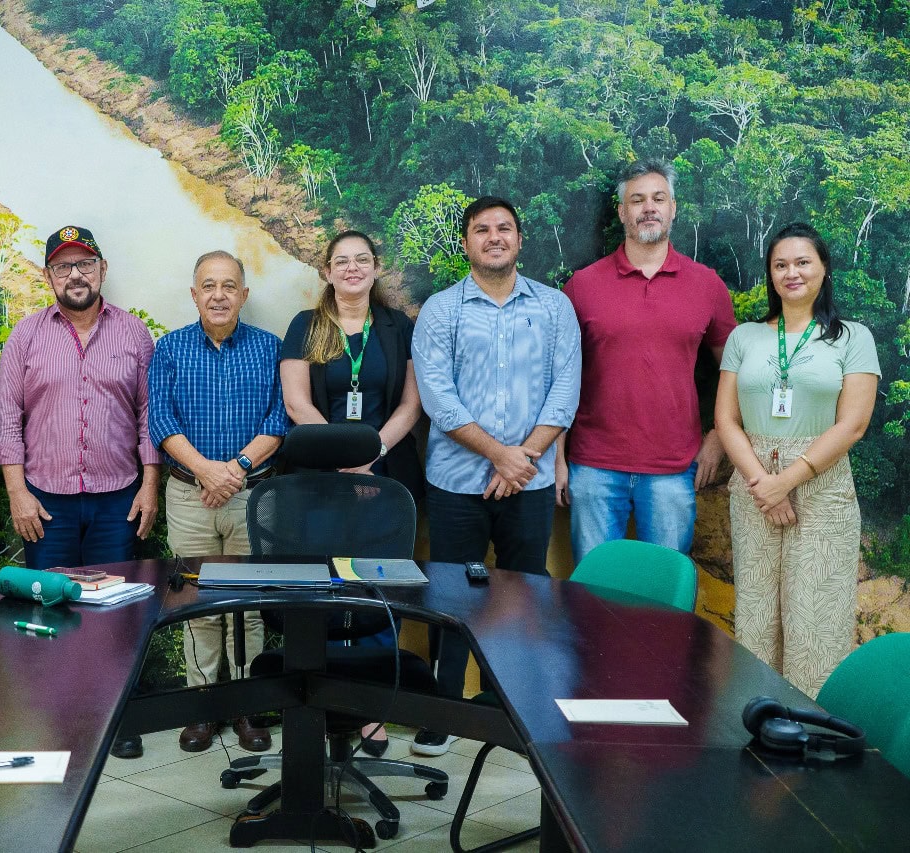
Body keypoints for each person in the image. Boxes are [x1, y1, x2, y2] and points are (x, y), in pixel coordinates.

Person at [411, 195, 581, 755]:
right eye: (481, 230)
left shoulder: (555, 307)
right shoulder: (441, 309)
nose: (494, 237)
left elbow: (565, 390)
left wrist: (522, 458)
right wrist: (499, 455)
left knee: (521, 592)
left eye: (504, 228)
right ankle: (442, 711)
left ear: (519, 239)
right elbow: (438, 396)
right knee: (452, 597)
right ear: (466, 242)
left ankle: (507, 706)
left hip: (528, 484)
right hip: (456, 481)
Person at [0, 226, 160, 758]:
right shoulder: (25, 336)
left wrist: (150, 485)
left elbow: (147, 418)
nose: (75, 275)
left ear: (102, 269)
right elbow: (7, 422)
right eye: (63, 266)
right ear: (48, 276)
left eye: (84, 264)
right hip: (47, 501)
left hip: (118, 498)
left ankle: (116, 719)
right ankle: (57, 717)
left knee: (113, 611)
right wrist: (18, 494)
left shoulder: (134, 334)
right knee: (49, 609)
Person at [715, 223, 879, 697]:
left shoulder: (852, 338)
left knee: (815, 622)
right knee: (757, 616)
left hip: (821, 486)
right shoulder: (745, 337)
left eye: (803, 262)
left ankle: (812, 739)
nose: (792, 273)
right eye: (780, 264)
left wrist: (786, 480)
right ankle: (757, 728)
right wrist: (762, 482)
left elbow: (853, 425)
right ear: (769, 273)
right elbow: (726, 420)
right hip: (753, 484)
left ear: (824, 269)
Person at [279, 229, 423, 756]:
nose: (352, 269)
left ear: (376, 267)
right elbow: (297, 404)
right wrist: (343, 455)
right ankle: (323, 699)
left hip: (384, 479)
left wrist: (370, 455)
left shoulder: (396, 326)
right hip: (320, 479)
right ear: (326, 271)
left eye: (362, 260)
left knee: (378, 589)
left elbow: (411, 404)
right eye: (341, 261)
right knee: (325, 589)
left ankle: (371, 709)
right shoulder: (306, 325)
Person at [560, 159, 736, 564]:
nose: (648, 208)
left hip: (673, 467)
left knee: (666, 601)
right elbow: (558, 378)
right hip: (594, 466)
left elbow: (735, 368)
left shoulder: (707, 285)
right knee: (594, 594)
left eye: (658, 198)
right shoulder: (583, 285)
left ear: (673, 207)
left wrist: (718, 437)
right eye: (637, 200)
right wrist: (558, 458)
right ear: (622, 211)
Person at [148, 250, 288, 754]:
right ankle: (202, 707)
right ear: (194, 294)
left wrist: (235, 471)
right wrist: (208, 471)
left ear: (244, 295)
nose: (219, 295)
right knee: (196, 604)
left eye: (229, 285)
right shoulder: (169, 349)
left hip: (253, 497)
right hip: (190, 495)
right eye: (208, 285)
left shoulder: (271, 349)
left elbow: (279, 420)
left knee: (249, 607)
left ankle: (248, 707)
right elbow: (161, 422)